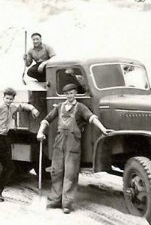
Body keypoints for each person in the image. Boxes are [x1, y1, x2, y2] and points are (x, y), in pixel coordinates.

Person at [36, 83, 112, 214]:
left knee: (70, 173)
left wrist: (103, 129)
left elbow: (92, 118)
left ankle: (67, 204)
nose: (69, 96)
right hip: (59, 142)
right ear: (64, 95)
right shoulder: (59, 107)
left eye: (71, 93)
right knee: (56, 172)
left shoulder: (81, 107)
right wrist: (40, 132)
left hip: (73, 142)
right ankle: (55, 200)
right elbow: (46, 119)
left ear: (75, 93)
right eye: (67, 93)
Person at [0, 87, 40, 203]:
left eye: (10, 99)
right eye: (7, 98)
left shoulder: (12, 107)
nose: (8, 100)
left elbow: (22, 106)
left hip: (4, 137)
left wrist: (33, 109)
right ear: (3, 97)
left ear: (13, 99)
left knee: (9, 167)